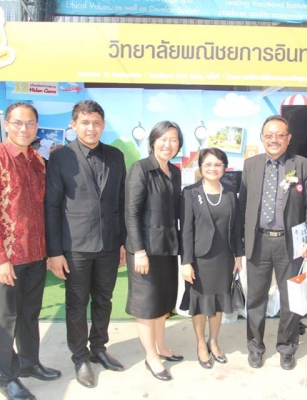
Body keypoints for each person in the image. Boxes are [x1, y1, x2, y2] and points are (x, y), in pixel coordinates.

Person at [45, 100, 127, 388]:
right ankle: (80, 358)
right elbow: (52, 206)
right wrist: (55, 252)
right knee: (77, 304)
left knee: (104, 300)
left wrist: (122, 242)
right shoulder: (60, 157)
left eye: (96, 123)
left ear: (103, 125)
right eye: (85, 122)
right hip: (75, 246)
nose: (91, 128)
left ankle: (99, 348)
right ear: (73, 125)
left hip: (109, 244)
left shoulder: (115, 156)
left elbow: (120, 201)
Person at [238, 115, 307, 370]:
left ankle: (287, 347)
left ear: (288, 138)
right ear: (262, 138)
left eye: (279, 135)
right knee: (255, 299)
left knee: (290, 299)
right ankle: (255, 347)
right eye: (268, 135)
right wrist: (240, 244)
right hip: (258, 242)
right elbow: (243, 206)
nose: (274, 139)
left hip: (290, 244)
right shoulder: (251, 165)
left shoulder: (302, 165)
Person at [0, 103, 61, 400]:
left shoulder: (38, 160)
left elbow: (43, 208)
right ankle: (6, 377)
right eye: (17, 123)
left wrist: (48, 252)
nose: (24, 129)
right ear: (6, 124)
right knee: (5, 320)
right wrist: (1, 259)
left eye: (30, 123)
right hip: (8, 258)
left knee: (29, 313)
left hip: (36, 254)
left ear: (37, 126)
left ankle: (29, 362)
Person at [125, 121, 183, 381]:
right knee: (147, 305)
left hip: (168, 247)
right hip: (145, 251)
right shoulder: (140, 169)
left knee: (162, 302)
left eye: (173, 139)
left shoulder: (174, 171)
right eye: (163, 139)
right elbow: (131, 213)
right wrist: (139, 251)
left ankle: (161, 346)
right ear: (153, 141)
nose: (168, 144)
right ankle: (151, 356)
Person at [180, 148, 244, 369]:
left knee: (217, 302)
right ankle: (200, 344)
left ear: (224, 167)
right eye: (208, 164)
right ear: (200, 167)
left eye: (217, 164)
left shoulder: (230, 192)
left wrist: (239, 255)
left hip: (224, 258)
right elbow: (186, 230)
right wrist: (186, 262)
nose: (213, 168)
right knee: (199, 303)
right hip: (199, 260)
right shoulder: (190, 192)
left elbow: (237, 227)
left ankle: (213, 341)